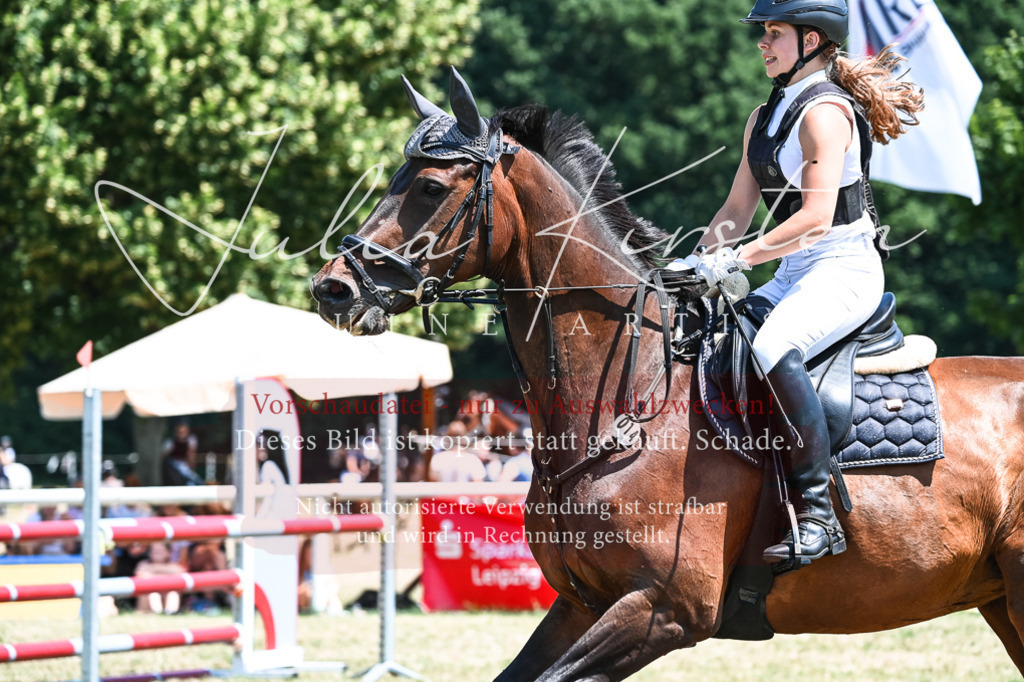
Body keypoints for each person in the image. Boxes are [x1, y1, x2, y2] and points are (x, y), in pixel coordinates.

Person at [679, 0, 923, 567]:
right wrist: (693, 263)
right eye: (763, 33)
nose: (762, 44)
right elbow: (737, 209)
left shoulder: (824, 114)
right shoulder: (762, 118)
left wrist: (738, 260)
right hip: (795, 270)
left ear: (810, 40)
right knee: (714, 337)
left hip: (845, 267)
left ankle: (818, 513)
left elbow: (814, 219)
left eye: (774, 33)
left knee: (769, 347)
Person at [161, 420, 203, 486]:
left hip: (186, 467)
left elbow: (191, 455)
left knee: (196, 481)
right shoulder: (170, 442)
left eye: (184, 431)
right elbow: (163, 456)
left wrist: (191, 464)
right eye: (180, 431)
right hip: (175, 466)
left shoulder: (191, 440)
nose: (182, 433)